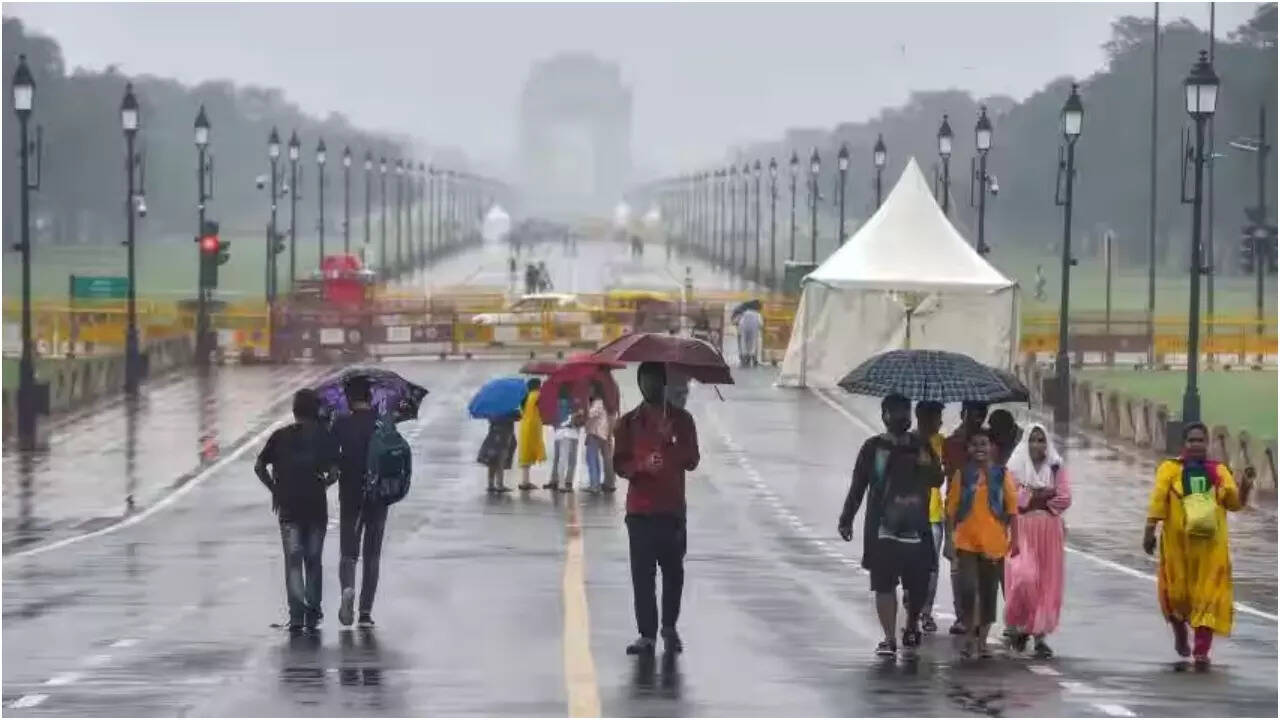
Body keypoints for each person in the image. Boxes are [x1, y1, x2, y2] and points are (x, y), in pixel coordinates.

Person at [837, 393, 942, 659]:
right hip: (882, 529)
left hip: (917, 528)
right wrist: (847, 518)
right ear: (884, 415)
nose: (901, 417)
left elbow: (937, 480)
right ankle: (889, 637)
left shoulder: (921, 446)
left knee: (918, 584)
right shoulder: (872, 448)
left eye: (905, 411)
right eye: (895, 411)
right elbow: (858, 484)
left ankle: (911, 624)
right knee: (883, 583)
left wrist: (927, 462)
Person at [1143, 422, 1254, 669]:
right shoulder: (1169, 469)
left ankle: (1202, 650)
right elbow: (1158, 500)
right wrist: (1149, 531)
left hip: (1210, 549)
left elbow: (1234, 504)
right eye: (1191, 440)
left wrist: (1245, 486)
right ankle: (1180, 631)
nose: (1196, 445)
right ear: (1184, 443)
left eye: (1200, 440)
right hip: (1177, 547)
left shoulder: (1219, 471)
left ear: (1207, 443)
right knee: (1175, 594)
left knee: (1208, 595)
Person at [614, 362, 700, 656]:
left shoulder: (683, 421)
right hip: (639, 511)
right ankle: (647, 634)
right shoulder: (628, 423)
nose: (648, 386)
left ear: (663, 383)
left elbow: (692, 460)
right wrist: (642, 466)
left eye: (653, 380)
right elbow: (619, 464)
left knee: (674, 572)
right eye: (643, 381)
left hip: (672, 509)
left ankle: (669, 627)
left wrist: (671, 444)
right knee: (643, 575)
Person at [255, 388, 338, 633]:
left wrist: (275, 489)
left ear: (294, 411)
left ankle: (296, 615)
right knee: (313, 560)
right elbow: (335, 472)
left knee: (293, 562)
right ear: (315, 411)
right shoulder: (323, 436)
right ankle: (313, 612)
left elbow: (259, 466)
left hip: (288, 508)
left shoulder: (279, 437)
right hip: (315, 507)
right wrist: (323, 484)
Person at [945, 428, 1019, 659]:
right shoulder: (962, 476)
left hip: (994, 544)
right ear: (968, 449)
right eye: (975, 444)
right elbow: (951, 510)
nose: (980, 448)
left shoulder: (1001, 475)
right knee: (968, 590)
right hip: (966, 542)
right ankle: (969, 637)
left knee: (988, 593)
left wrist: (1014, 540)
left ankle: (982, 641)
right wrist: (949, 540)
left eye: (984, 444)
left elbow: (1012, 509)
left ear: (992, 448)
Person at [1004, 423, 1072, 658]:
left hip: (1049, 531)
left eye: (1041, 440)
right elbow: (1013, 499)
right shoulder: (1014, 466)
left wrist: (1034, 497)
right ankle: (1019, 624)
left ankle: (1039, 635)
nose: (1037, 445)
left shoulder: (1055, 466)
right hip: (1022, 529)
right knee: (1024, 576)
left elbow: (1064, 498)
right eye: (1032, 440)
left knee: (1046, 582)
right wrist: (1040, 496)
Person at [330, 377, 390, 629]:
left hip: (351, 494)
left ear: (348, 398)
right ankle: (365, 612)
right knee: (372, 555)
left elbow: (331, 460)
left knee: (348, 552)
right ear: (370, 396)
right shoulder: (383, 423)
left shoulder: (341, 424)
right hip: (379, 495)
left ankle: (348, 589)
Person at [942, 400, 989, 636]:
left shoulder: (989, 442)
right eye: (973, 412)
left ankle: (978, 618)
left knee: (982, 568)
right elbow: (949, 472)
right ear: (963, 413)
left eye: (982, 412)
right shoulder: (952, 443)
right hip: (958, 510)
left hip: (985, 513)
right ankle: (962, 616)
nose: (978, 417)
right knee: (958, 565)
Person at [906, 400, 946, 634]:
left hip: (933, 514)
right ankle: (912, 609)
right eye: (937, 418)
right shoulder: (908, 443)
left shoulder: (939, 444)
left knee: (930, 567)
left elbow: (939, 478)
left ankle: (924, 612)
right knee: (911, 567)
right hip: (911, 514)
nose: (940, 422)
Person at [548, 387, 583, 493]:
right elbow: (577, 418)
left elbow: (553, 418)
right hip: (572, 433)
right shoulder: (574, 402)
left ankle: (560, 482)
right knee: (572, 459)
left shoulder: (555, 403)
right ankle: (568, 482)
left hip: (559, 432)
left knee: (561, 459)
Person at [517, 378, 547, 491]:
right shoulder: (537, 395)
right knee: (530, 453)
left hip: (524, 427)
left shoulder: (525, 398)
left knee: (525, 454)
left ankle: (525, 480)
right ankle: (525, 482)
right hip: (533, 427)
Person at [478, 411, 519, 494]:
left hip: (493, 436)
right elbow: (518, 417)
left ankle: (490, 484)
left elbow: (490, 419)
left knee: (492, 461)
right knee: (500, 460)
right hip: (504, 437)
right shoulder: (509, 409)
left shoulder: (492, 409)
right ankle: (500, 485)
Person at [584, 383, 611, 494]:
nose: (588, 392)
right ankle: (596, 483)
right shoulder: (599, 403)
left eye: (590, 390)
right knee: (594, 459)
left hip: (596, 434)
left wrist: (585, 404)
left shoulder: (598, 403)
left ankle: (594, 485)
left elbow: (590, 414)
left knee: (591, 459)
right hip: (597, 433)